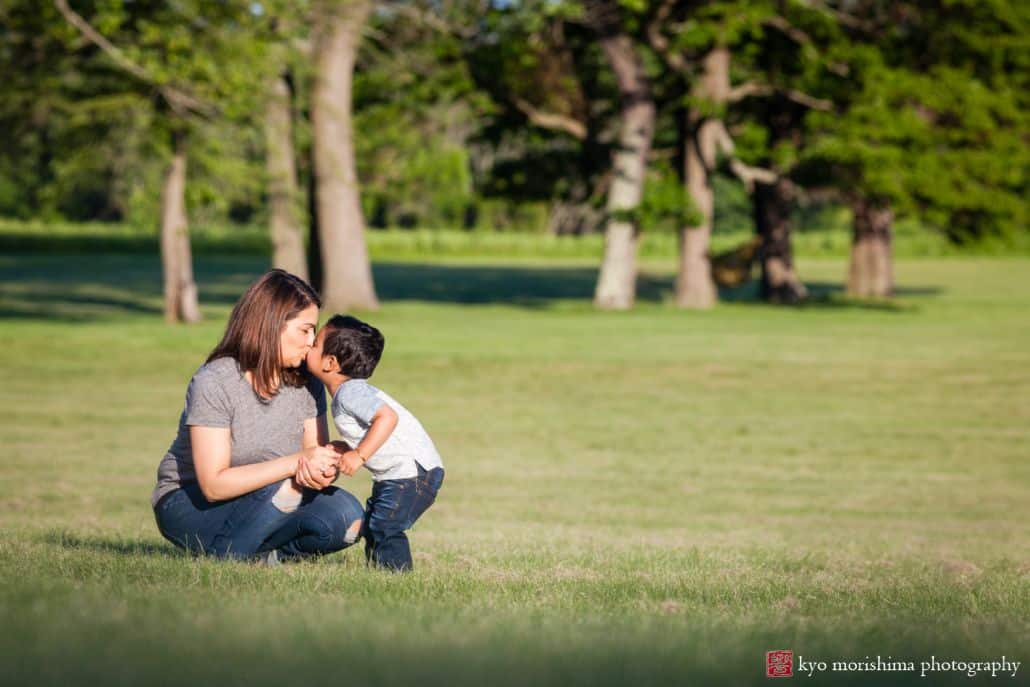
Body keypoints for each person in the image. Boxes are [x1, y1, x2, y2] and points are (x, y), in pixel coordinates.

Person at [151, 270, 364, 563]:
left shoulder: (308, 382)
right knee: (284, 488)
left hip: (274, 497)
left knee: (348, 517)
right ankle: (233, 552)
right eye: (305, 330)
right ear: (272, 324)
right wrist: (298, 463)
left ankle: (260, 555)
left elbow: (312, 456)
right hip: (190, 501)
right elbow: (213, 486)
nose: (312, 342)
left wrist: (324, 468)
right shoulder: (215, 381)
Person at [306, 315, 444, 572]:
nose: (308, 347)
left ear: (330, 362)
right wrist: (347, 448)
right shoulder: (351, 392)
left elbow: (386, 418)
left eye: (314, 344)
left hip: (413, 473)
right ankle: (378, 573)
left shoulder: (350, 392)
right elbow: (371, 429)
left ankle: (395, 577)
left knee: (386, 526)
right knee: (375, 523)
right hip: (401, 474)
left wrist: (359, 454)